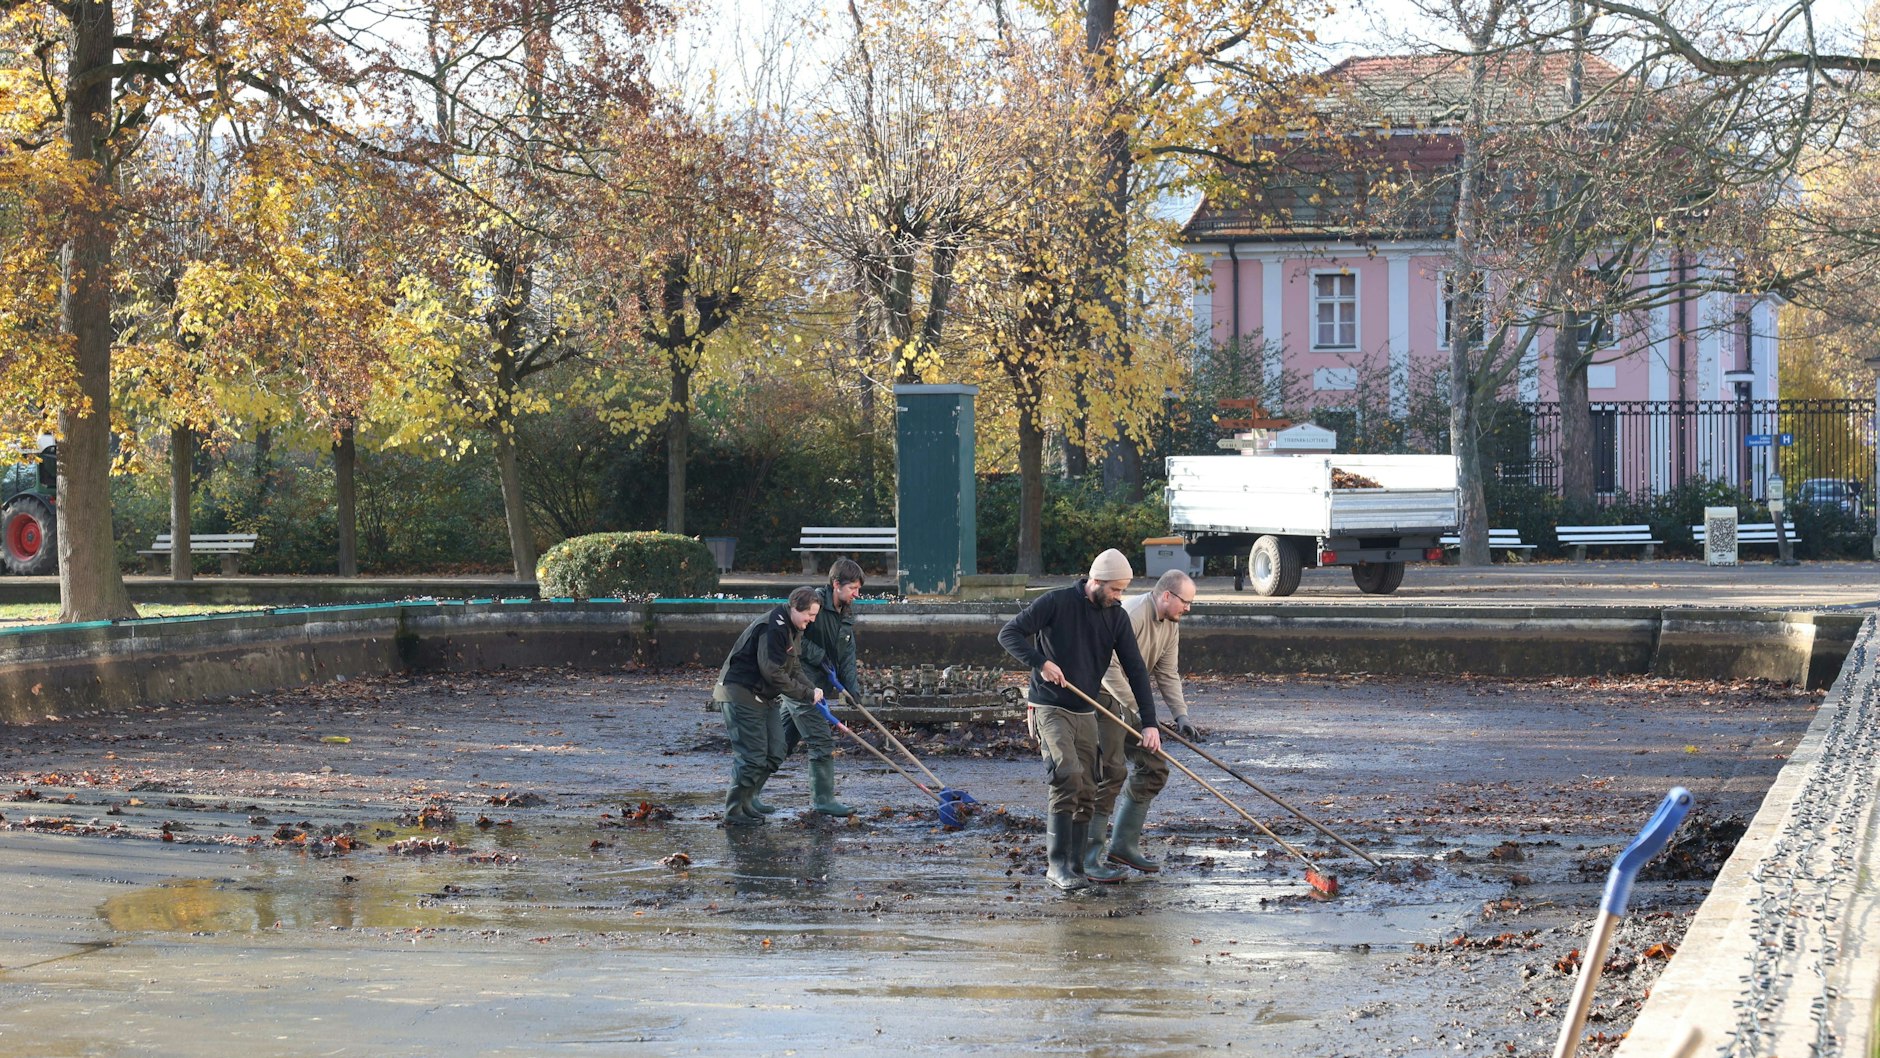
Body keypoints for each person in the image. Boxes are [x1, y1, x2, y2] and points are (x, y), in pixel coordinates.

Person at [998, 548, 1161, 891]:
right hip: (1050, 706)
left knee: (1089, 786)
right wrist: (1041, 662)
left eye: (1122, 591)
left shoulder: (1115, 616)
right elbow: (1009, 634)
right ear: (1096, 581)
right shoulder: (1055, 602)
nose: (1120, 597)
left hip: (1086, 710)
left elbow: (1136, 671)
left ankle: (1076, 865)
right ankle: (1056, 866)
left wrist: (1149, 723)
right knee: (1067, 775)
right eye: (1116, 590)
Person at [1090, 569, 1197, 875]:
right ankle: (1089, 857)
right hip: (1104, 697)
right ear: (1167, 595)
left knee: (1153, 768)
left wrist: (1181, 714)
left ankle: (1123, 847)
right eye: (1186, 602)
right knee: (1109, 772)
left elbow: (1167, 672)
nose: (1188, 608)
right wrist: (1139, 711)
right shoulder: (1132, 613)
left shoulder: (1171, 624)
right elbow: (1107, 664)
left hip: (1133, 703)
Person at [711, 586, 824, 826]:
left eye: (814, 616)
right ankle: (734, 811)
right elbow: (772, 671)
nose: (811, 621)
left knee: (776, 750)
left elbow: (793, 668)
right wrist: (804, 693)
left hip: (765, 696)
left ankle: (749, 801)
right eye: (809, 615)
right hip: (740, 692)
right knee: (752, 756)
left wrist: (812, 689)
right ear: (795, 608)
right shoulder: (774, 627)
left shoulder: (795, 628)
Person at [786, 558, 866, 817]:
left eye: (858, 589)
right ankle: (824, 801)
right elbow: (794, 638)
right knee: (821, 740)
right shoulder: (814, 604)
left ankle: (746, 796)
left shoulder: (847, 614)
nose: (857, 594)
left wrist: (852, 691)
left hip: (819, 687)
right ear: (836, 584)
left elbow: (847, 655)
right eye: (853, 588)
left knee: (779, 744)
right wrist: (817, 655)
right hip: (800, 684)